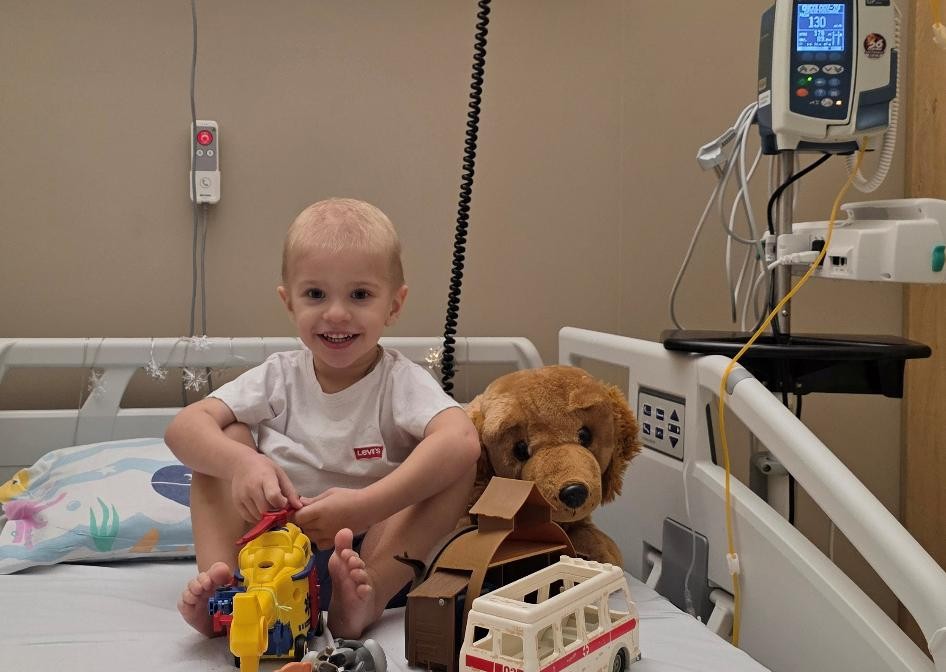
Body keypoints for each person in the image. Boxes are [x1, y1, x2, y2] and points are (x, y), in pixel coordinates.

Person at [166, 198, 480, 639]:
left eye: (360, 295)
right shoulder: (278, 376)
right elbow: (182, 428)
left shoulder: (401, 382)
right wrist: (243, 464)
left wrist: (367, 506)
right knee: (223, 436)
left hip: (366, 556)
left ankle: (366, 602)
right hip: (269, 552)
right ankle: (228, 595)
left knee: (457, 464)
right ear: (289, 302)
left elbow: (462, 440)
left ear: (394, 305)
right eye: (315, 294)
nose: (336, 313)